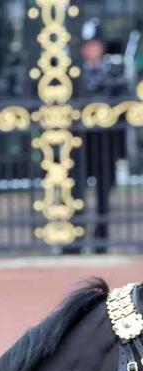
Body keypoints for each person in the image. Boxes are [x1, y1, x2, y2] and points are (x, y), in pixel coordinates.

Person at [72, 18, 127, 253]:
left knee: (105, 191)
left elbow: (124, 105)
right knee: (76, 191)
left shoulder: (114, 70)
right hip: (79, 142)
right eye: (86, 45)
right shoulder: (72, 74)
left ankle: (101, 238)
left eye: (94, 44)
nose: (90, 49)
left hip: (106, 141)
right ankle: (75, 238)